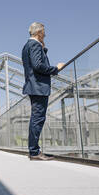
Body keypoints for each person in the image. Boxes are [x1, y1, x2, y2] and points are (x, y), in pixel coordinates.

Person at [22, 22, 64, 160]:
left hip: (34, 86)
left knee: (37, 118)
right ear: (39, 32)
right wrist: (56, 69)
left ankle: (34, 150)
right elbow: (38, 65)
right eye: (43, 32)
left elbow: (36, 62)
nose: (45, 35)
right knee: (37, 118)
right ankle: (34, 152)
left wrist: (43, 49)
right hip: (38, 87)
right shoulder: (34, 45)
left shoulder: (28, 46)